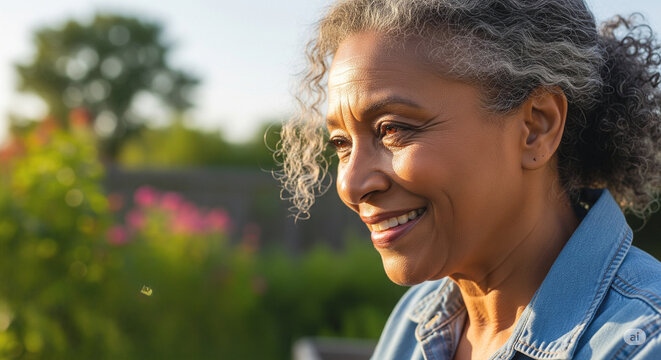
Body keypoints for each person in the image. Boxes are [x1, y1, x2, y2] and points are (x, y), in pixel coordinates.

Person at [275, 0, 661, 358]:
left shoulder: (644, 340)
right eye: (341, 143)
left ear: (536, 127)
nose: (351, 185)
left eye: (392, 129)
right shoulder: (417, 319)